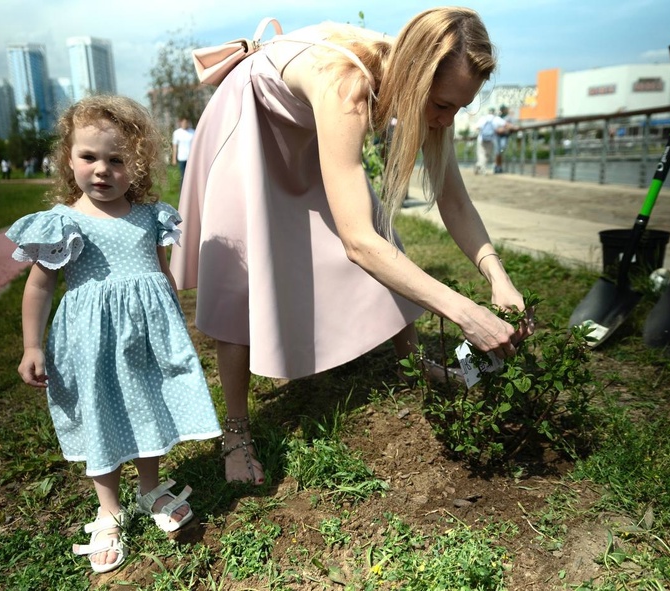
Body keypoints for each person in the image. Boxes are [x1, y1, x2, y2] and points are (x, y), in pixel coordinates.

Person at [170, 7, 534, 485]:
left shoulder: (412, 79)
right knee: (243, 276)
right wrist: (466, 314)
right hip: (249, 119)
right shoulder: (347, 85)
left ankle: (410, 364)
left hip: (304, 120)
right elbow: (357, 245)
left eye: (459, 109)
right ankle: (236, 432)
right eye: (442, 105)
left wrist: (498, 280)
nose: (445, 121)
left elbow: (454, 200)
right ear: (414, 74)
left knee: (384, 232)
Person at [6, 95, 222, 574]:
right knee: (100, 414)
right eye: (89, 157)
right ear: (69, 158)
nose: (101, 169)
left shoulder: (150, 217)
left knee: (147, 406)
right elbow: (39, 287)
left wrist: (176, 326)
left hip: (145, 339)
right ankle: (109, 507)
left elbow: (161, 276)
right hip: (90, 346)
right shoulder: (62, 223)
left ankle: (149, 490)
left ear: (138, 164)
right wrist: (32, 345)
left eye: (116, 159)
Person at [171, 117, 195, 187]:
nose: (185, 124)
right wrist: (174, 158)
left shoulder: (193, 132)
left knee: (191, 176)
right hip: (182, 157)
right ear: (181, 123)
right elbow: (175, 146)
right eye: (183, 122)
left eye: (186, 122)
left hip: (191, 158)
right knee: (183, 176)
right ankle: (183, 192)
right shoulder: (177, 133)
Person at [493, 105, 517, 173]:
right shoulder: (497, 117)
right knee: (497, 151)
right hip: (497, 136)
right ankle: (497, 166)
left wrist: (504, 129)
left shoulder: (509, 117)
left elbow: (513, 126)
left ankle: (499, 166)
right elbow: (494, 126)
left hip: (505, 136)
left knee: (502, 150)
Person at [474, 108, 497, 175]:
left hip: (481, 139)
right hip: (491, 139)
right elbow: (504, 125)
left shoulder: (483, 118)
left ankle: (479, 165)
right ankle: (482, 168)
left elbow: (476, 127)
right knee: (487, 155)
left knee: (481, 153)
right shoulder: (496, 119)